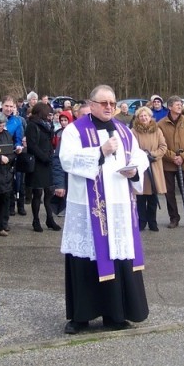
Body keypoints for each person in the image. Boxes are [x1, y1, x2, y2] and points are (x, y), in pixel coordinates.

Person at [59, 84, 150, 334]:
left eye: (112, 103)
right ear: (92, 104)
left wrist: (135, 169)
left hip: (119, 206)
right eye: (103, 103)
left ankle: (116, 314)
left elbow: (140, 156)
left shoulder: (123, 129)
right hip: (90, 209)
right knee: (86, 259)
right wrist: (100, 151)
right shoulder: (74, 131)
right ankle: (81, 316)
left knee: (119, 257)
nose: (109, 107)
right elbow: (66, 159)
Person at [157, 96, 184, 229]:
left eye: (180, 104)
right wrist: (172, 157)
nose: (179, 106)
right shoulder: (161, 124)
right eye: (177, 104)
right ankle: (174, 218)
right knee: (169, 192)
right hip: (168, 164)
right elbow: (160, 144)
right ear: (170, 107)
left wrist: (183, 156)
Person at [26, 102, 61, 232]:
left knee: (49, 192)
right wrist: (44, 157)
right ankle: (36, 220)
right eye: (48, 113)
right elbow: (32, 145)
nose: (49, 115)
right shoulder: (32, 125)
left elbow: (50, 141)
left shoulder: (47, 125)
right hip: (38, 163)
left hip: (47, 162)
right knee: (37, 192)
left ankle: (49, 219)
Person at [131, 106, 167, 231]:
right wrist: (142, 157)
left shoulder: (157, 130)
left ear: (150, 117)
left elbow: (163, 147)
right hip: (140, 167)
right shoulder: (133, 131)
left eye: (145, 115)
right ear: (138, 118)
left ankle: (153, 221)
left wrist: (152, 154)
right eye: (141, 116)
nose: (144, 118)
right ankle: (142, 221)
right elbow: (131, 149)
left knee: (153, 196)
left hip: (154, 166)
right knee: (140, 196)